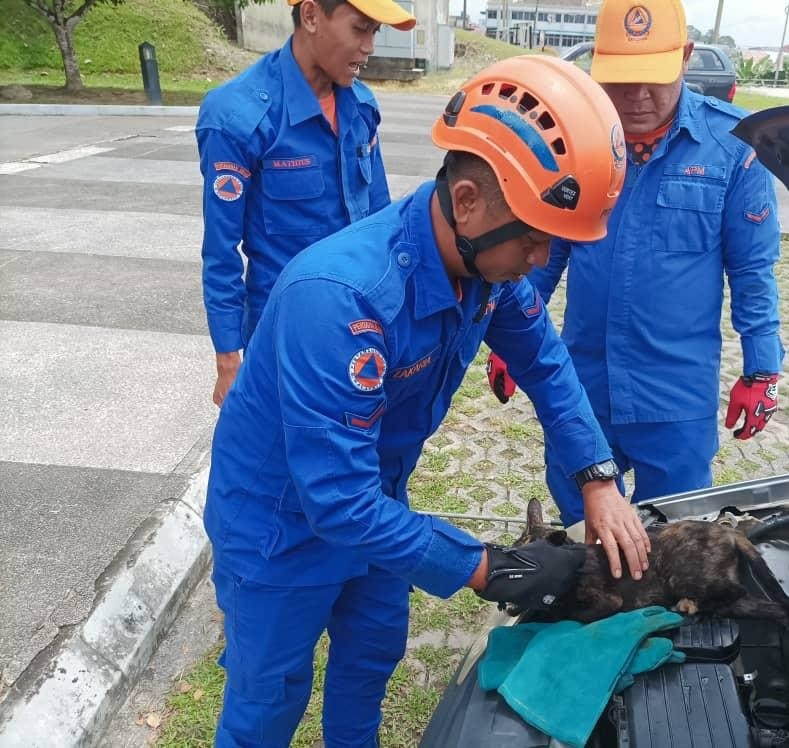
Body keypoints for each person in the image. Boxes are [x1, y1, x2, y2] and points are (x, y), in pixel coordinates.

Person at [204, 55, 650, 747]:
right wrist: (486, 567)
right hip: (280, 524)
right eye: (535, 240)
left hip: (375, 503)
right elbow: (337, 502)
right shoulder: (341, 301)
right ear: (468, 202)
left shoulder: (484, 271)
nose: (541, 261)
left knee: (369, 662)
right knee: (268, 702)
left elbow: (546, 362)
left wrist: (596, 478)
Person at [486, 0, 785, 526]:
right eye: (622, 80)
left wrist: (762, 367)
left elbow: (752, 270)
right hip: (581, 388)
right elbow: (547, 252)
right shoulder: (576, 143)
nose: (638, 97)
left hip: (674, 396)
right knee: (584, 532)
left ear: (686, 57)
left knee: (678, 539)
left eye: (653, 77)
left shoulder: (734, 148)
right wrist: (511, 335)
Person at [196, 0, 415, 407]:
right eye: (360, 28)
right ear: (311, 16)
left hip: (360, 323)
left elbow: (384, 224)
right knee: (283, 459)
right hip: (285, 335)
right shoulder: (239, 118)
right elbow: (221, 250)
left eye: (375, 33)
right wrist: (229, 358)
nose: (368, 47)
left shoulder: (361, 107)